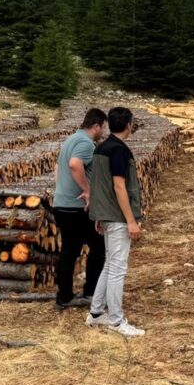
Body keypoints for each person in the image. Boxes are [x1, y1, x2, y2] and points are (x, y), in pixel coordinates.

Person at [85, 107, 145, 338]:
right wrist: (131, 220)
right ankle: (117, 321)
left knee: (110, 264)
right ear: (129, 124)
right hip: (118, 217)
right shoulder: (119, 150)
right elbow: (118, 185)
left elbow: (99, 184)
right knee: (118, 268)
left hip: (107, 215)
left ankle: (97, 313)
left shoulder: (101, 147)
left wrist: (100, 214)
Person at [52, 108, 108, 310]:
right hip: (76, 207)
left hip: (63, 204)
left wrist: (61, 191)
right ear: (96, 126)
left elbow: (59, 168)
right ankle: (91, 292)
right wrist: (88, 191)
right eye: (103, 127)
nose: (103, 131)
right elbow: (75, 165)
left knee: (69, 251)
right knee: (99, 246)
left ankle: (64, 295)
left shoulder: (71, 139)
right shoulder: (85, 143)